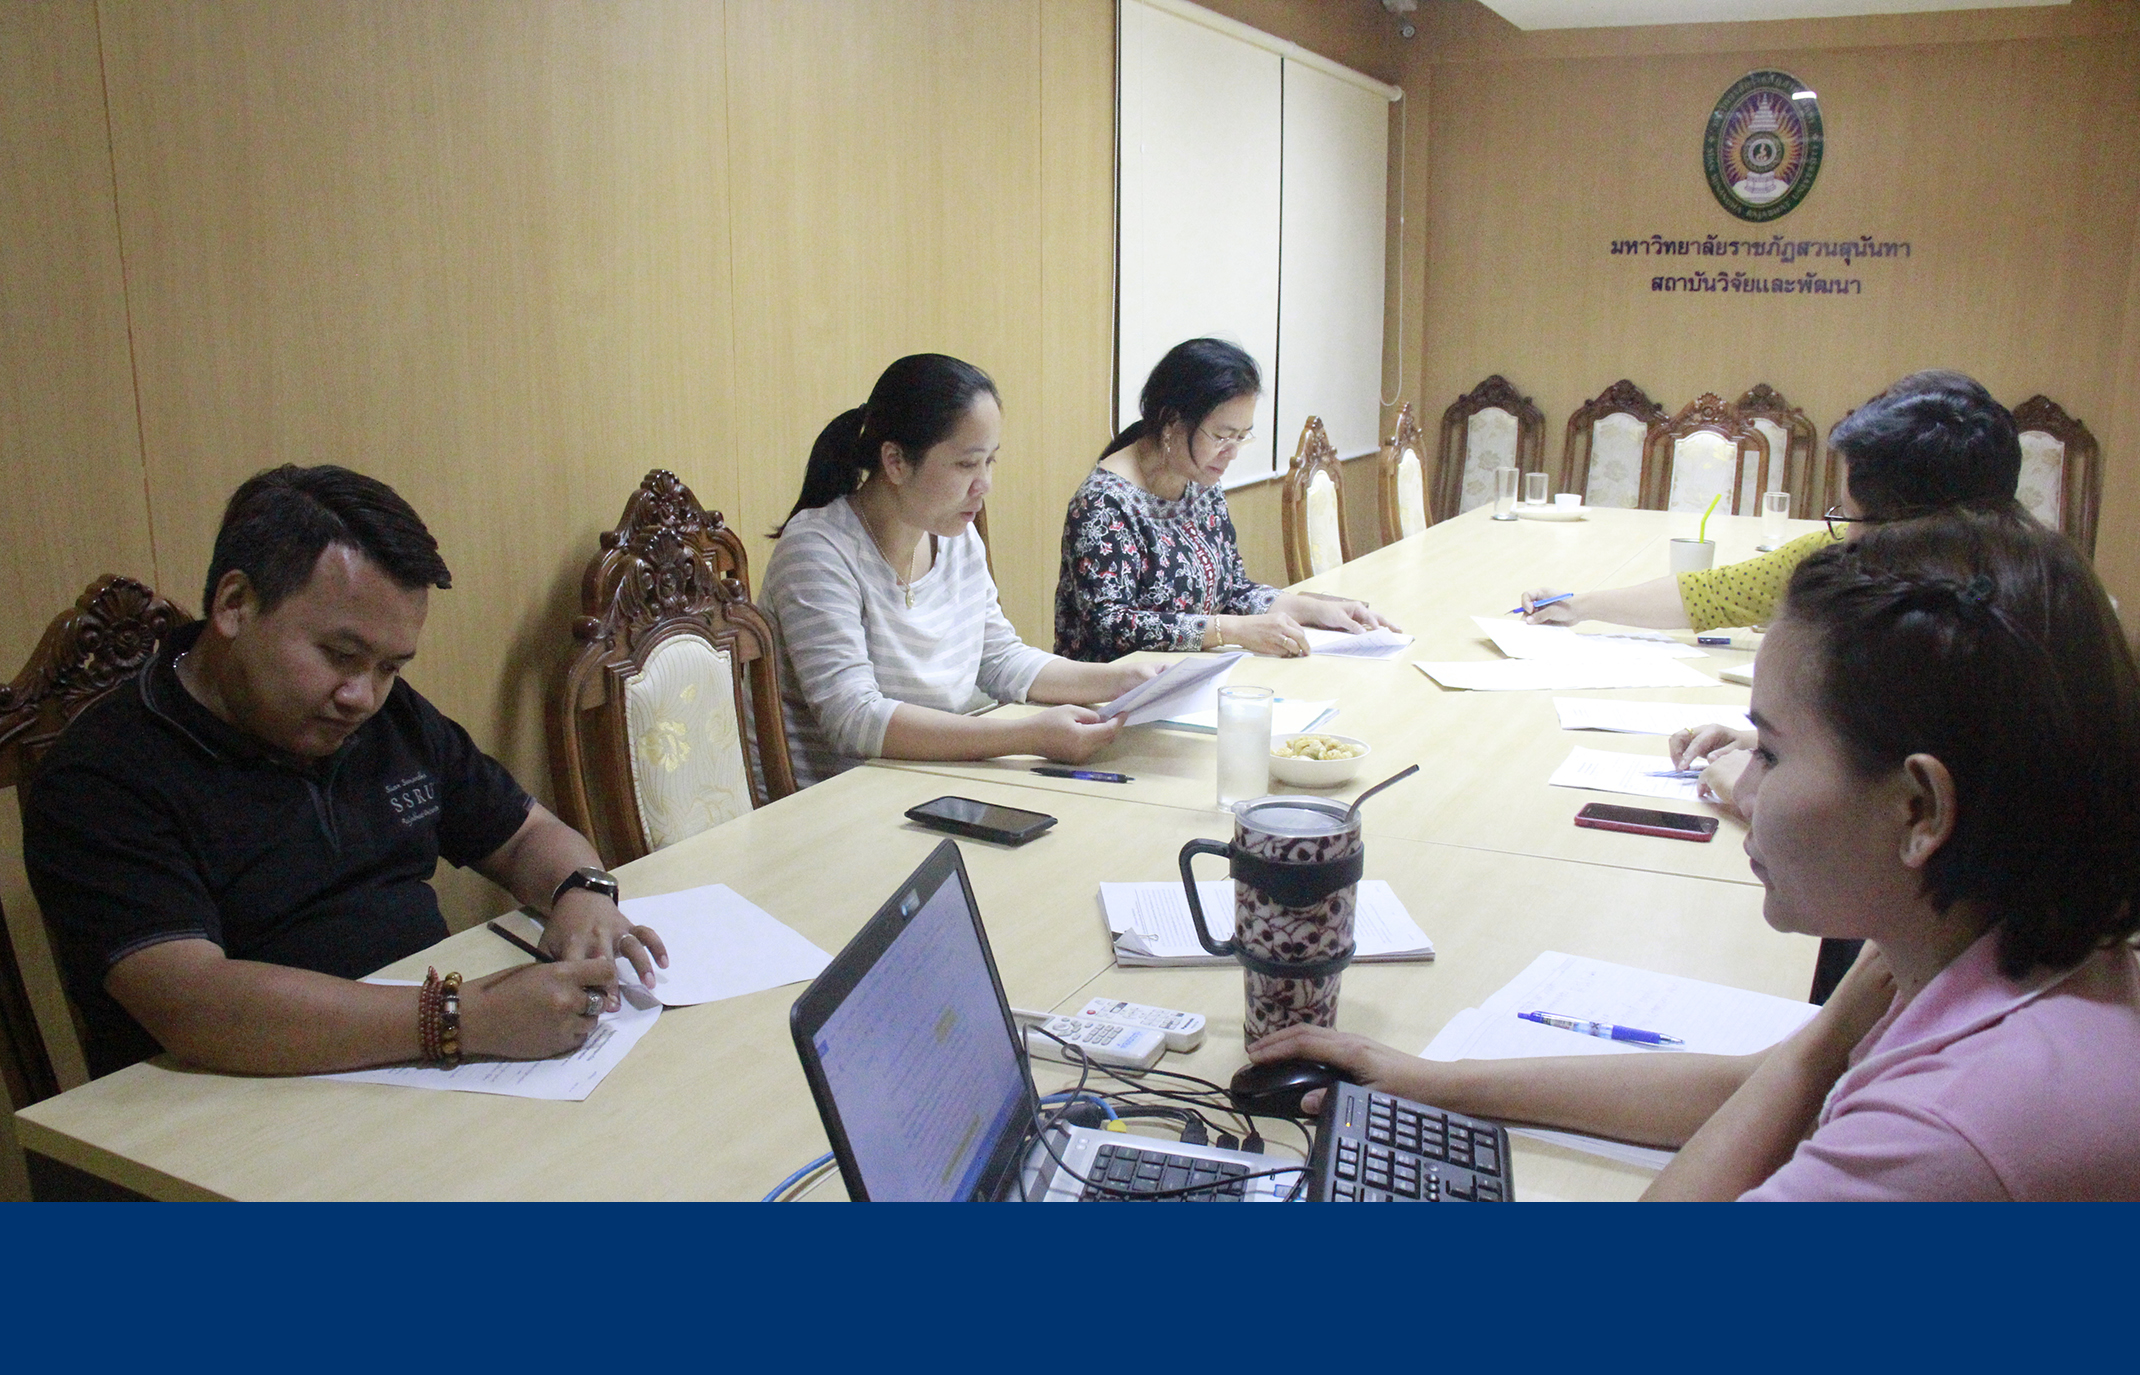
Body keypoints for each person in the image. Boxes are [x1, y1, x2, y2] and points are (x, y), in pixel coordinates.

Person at [1254, 506, 2140, 1199]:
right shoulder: (2007, 939)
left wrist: (1823, 1041)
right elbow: (1751, 1091)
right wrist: (1432, 1083)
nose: (1744, 788)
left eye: (1771, 752)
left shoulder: (1952, 1128)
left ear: (1919, 810)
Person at [24, 465, 668, 1080]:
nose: (362, 696)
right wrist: (458, 1019)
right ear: (235, 604)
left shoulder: (384, 716)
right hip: (234, 1100)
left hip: (431, 1064)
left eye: (390, 667)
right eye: (339, 655)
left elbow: (526, 834)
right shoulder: (103, 773)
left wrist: (583, 892)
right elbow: (196, 1004)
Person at [1530, 370, 2026, 810]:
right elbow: (1717, 593)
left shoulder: (1935, 627)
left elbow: (1884, 809)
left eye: (1850, 517)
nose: (1845, 537)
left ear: (1909, 527)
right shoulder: (2029, 581)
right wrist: (1764, 743)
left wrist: (1750, 790)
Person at [762, 354, 1155, 787]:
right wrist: (1026, 736)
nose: (984, 484)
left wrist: (1123, 679)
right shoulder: (817, 549)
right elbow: (853, 718)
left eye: (990, 461)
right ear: (895, 461)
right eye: (967, 464)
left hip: (930, 779)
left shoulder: (953, 535)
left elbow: (999, 658)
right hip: (837, 799)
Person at [1053, 337, 1396, 662]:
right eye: (1221, 436)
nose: (1232, 452)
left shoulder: (1200, 481)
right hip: (1116, 691)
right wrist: (1229, 630)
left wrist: (1314, 609)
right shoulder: (1104, 504)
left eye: (1242, 437)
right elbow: (1111, 626)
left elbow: (1232, 590)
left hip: (1190, 674)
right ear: (1171, 421)